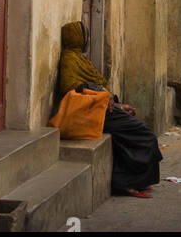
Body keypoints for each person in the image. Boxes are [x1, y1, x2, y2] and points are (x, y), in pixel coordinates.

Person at [56, 20, 162, 197]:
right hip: (90, 112)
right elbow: (69, 86)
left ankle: (133, 180)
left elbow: (99, 89)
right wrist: (101, 93)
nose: (87, 40)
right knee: (146, 136)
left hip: (102, 107)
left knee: (131, 133)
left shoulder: (80, 59)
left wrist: (117, 104)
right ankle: (128, 183)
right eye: (84, 36)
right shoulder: (69, 59)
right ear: (77, 38)